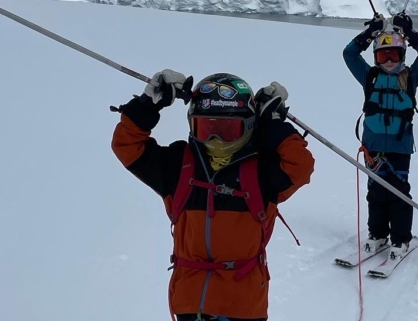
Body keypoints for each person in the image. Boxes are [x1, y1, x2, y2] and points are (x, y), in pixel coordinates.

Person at [111, 69, 315, 321]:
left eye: (228, 130)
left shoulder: (261, 171)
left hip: (242, 304)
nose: (215, 139)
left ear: (248, 127)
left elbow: (300, 166)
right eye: (207, 128)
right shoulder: (178, 167)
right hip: (190, 303)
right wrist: (148, 104)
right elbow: (127, 146)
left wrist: (272, 124)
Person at [342, 12, 418, 260]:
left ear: (403, 55)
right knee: (375, 192)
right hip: (372, 145)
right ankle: (378, 234)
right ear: (376, 57)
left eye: (394, 54)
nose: (389, 60)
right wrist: (370, 33)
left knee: (398, 193)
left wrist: (410, 34)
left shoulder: (411, 78)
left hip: (399, 146)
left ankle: (401, 239)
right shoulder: (370, 77)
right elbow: (349, 54)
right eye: (383, 55)